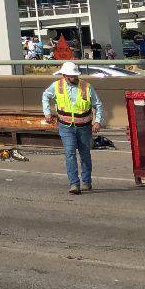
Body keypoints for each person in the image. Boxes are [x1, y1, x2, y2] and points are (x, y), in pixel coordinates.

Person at [43, 60, 104, 195]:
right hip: (66, 127)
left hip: (84, 127)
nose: (74, 78)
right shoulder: (57, 86)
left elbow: (98, 105)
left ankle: (87, 181)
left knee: (85, 155)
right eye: (71, 76)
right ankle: (74, 184)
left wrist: (97, 121)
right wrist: (47, 112)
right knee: (70, 154)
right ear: (64, 75)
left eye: (75, 75)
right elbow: (45, 96)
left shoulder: (87, 87)